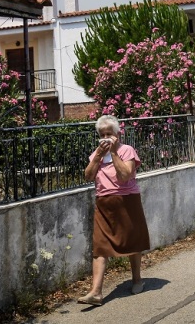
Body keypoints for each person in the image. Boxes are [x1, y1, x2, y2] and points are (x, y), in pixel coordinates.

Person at [78, 114, 151, 306]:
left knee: (132, 242)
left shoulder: (127, 150)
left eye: (109, 133)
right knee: (99, 246)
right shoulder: (97, 153)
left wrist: (114, 152)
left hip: (127, 201)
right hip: (104, 202)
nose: (105, 137)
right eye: (102, 134)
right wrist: (98, 157)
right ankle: (96, 292)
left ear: (117, 134)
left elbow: (126, 175)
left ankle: (137, 279)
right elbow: (88, 176)